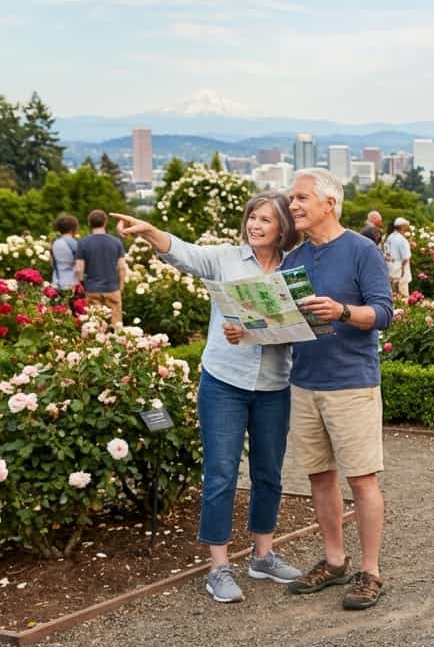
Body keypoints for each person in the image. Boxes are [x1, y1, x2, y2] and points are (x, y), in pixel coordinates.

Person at [111, 195, 305, 603]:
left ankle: (263, 555)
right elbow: (184, 254)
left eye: (266, 219)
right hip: (224, 381)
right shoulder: (226, 258)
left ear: (283, 228)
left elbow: (302, 326)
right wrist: (148, 233)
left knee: (269, 473)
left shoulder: (296, 271)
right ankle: (218, 567)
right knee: (221, 474)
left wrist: (255, 331)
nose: (255, 224)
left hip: (273, 384)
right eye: (252, 217)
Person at [278, 169, 394, 610]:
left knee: (361, 479)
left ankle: (370, 571)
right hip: (304, 382)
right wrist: (248, 328)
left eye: (302, 198)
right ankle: (333, 561)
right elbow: (285, 324)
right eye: (292, 199)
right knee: (319, 477)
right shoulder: (293, 260)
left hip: (351, 383)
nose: (294, 206)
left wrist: (343, 311)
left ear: (330, 203)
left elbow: (384, 314)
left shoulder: (362, 250)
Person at [74, 209, 127, 325]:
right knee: (116, 325)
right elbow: (121, 267)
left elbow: (79, 269)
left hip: (92, 289)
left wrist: (82, 284)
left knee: (96, 326)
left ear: (89, 223)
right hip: (112, 288)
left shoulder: (83, 243)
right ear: (105, 222)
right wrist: (121, 285)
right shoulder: (116, 242)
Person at [50, 214, 80, 296]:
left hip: (56, 283)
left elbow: (52, 263)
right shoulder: (74, 243)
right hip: (72, 284)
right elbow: (79, 266)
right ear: (72, 229)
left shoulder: (54, 243)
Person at [384, 217, 412, 299]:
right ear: (402, 226)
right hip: (400, 270)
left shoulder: (389, 237)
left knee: (393, 296)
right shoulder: (401, 239)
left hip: (390, 268)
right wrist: (403, 271)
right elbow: (405, 258)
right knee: (403, 296)